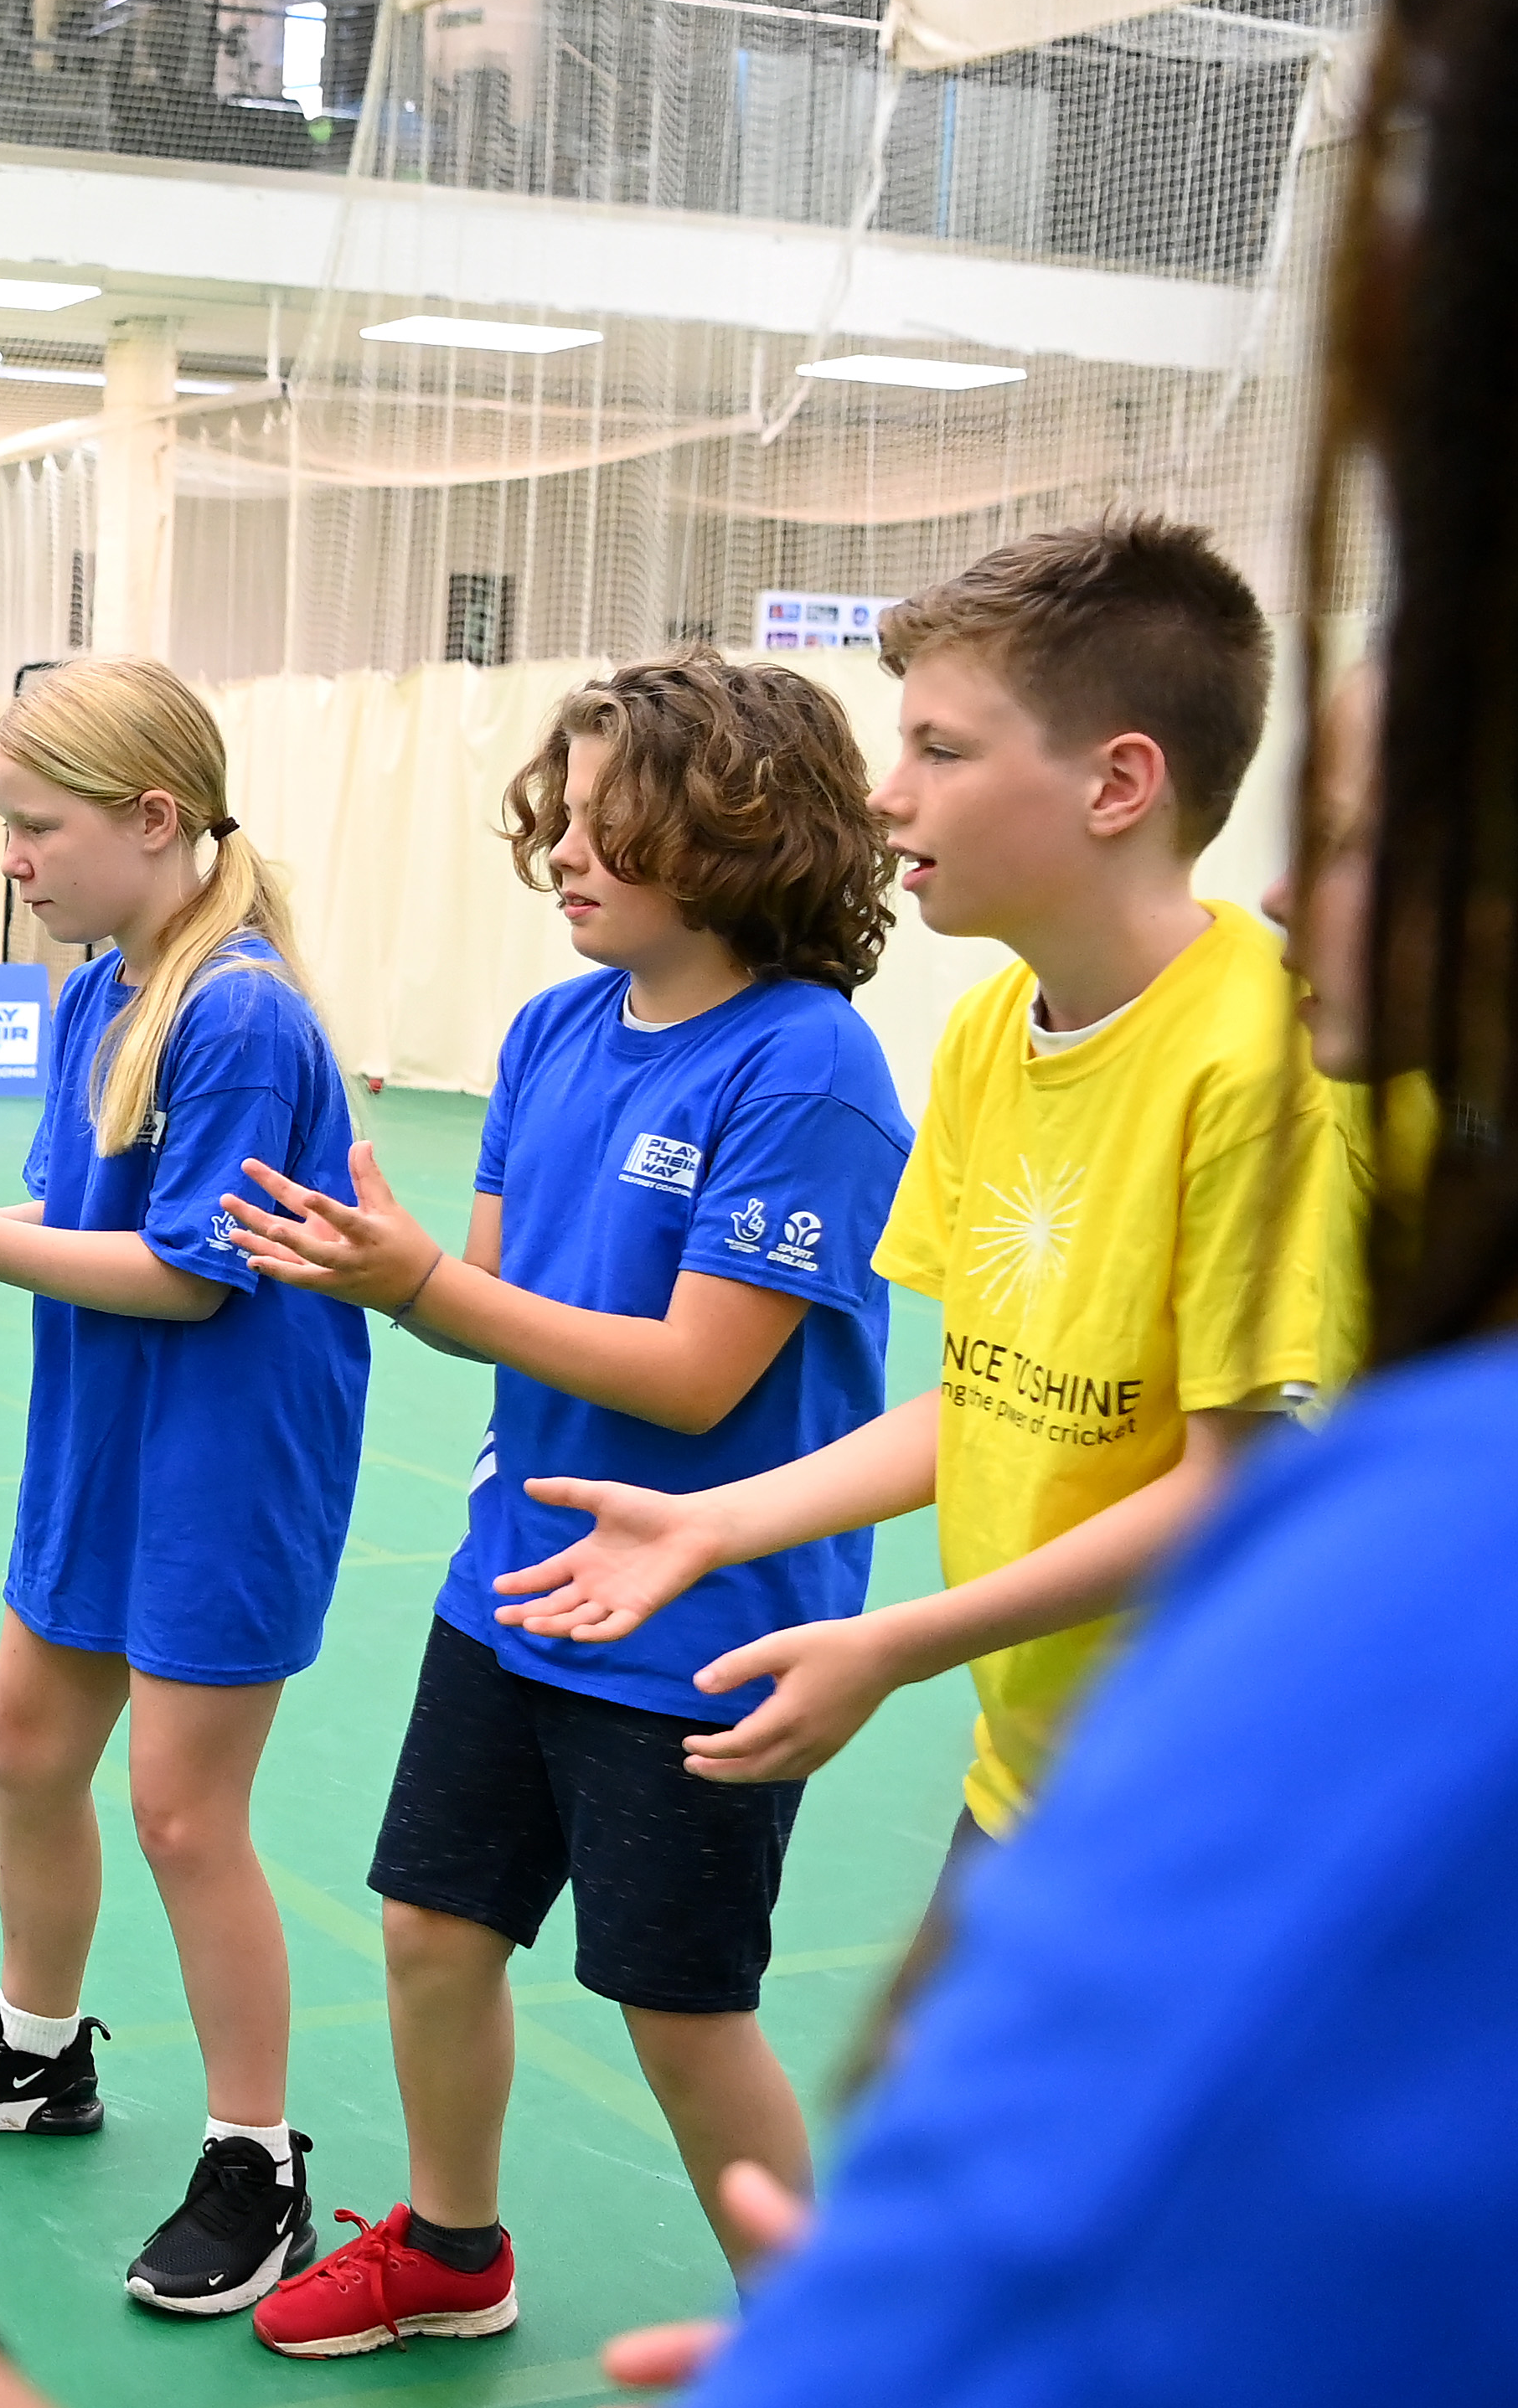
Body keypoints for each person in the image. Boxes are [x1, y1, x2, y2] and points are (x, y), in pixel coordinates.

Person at [0, 0, 1515, 2408]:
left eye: (937, 747)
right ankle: (503, 2255)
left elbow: (734, 1364)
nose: (1317, 890)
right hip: (604, 1592)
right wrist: (745, 1535)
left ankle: (513, 2242)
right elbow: (938, 1384)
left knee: (642, 1995)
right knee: (419, 1919)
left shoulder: (1327, 1535)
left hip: (782, 1645)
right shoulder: (880, 1048)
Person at [483, 518, 1364, 1914]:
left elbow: (1229, 1480)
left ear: (1117, 784)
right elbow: (984, 1400)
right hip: (1036, 1768)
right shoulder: (984, 1030)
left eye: (941, 752)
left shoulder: (1262, 1058)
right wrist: (718, 1525)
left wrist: (899, 1641)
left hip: (1223, 1794)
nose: (889, 798)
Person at [214, 654, 908, 2351]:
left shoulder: (807, 1068)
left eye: (616, 827)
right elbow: (509, 1289)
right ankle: (452, 2249)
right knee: (435, 1929)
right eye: (564, 819)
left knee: (680, 2004)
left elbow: (691, 1374)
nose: (568, 854)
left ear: (740, 838)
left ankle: (827, 2356)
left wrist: (419, 1285)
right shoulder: (549, 1030)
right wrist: (375, 1264)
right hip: (512, 1580)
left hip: (701, 1623)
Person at [0, 657, 369, 2318]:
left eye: (37, 828)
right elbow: (94, 1235)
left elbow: (192, 1274)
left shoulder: (239, 1011)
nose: (16, 860)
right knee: (30, 1743)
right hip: (104, 1426)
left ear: (153, 817)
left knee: (185, 1812)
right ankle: (40, 2051)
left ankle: (258, 2159)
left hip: (230, 1451)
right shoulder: (100, 986)